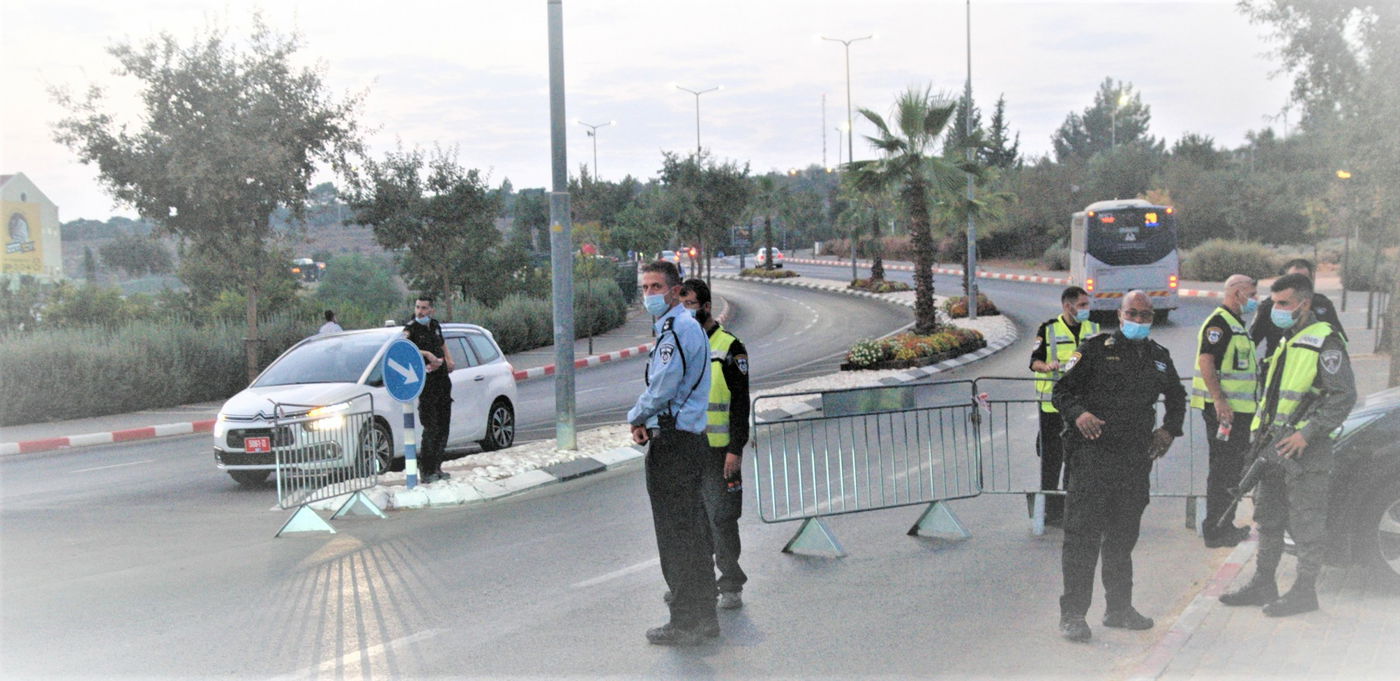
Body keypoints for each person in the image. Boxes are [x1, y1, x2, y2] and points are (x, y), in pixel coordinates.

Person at [1051, 291, 1186, 643]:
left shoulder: (1158, 357)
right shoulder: (1096, 349)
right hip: (1093, 457)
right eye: (1133, 314)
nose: (1139, 321)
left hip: (1134, 460)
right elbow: (1062, 391)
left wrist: (1169, 429)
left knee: (1123, 537)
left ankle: (1119, 608)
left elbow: (1177, 397)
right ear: (1121, 313)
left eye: (1145, 316)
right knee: (1083, 537)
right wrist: (1078, 413)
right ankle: (1074, 614)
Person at [1220, 273, 1356, 617]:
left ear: (1304, 304)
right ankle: (1264, 582)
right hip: (1273, 446)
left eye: (1283, 304)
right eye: (1274, 303)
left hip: (1305, 452)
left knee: (1307, 523)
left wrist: (1307, 434)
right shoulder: (1287, 338)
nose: (1276, 310)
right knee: (1268, 518)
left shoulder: (1326, 341)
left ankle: (1305, 592)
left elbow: (1342, 397)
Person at [627, 261, 717, 646]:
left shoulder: (676, 331)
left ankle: (684, 621)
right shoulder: (684, 327)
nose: (649, 295)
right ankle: (704, 616)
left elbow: (664, 387)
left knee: (676, 537)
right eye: (644, 287)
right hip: (688, 441)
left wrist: (636, 415)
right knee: (693, 533)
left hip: (674, 445)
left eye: (656, 287)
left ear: (676, 290)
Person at [678, 278, 750, 610]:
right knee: (692, 521)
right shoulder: (682, 344)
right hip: (687, 448)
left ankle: (731, 583)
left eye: (690, 304)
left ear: (706, 307)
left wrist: (735, 449)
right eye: (682, 304)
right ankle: (698, 584)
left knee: (721, 518)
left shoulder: (729, 347)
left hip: (719, 450)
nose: (685, 311)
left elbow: (739, 404)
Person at [1191, 274, 1260, 548]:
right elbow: (1206, 361)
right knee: (1223, 471)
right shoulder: (1219, 324)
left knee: (1231, 471)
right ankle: (1216, 530)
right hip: (1225, 413)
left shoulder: (1236, 324)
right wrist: (1219, 400)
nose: (1255, 299)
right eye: (1252, 294)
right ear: (1236, 293)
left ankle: (1225, 525)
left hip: (1238, 413)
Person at [1029, 286, 1100, 525]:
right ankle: (1050, 510)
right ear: (1068, 306)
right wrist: (1047, 366)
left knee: (1078, 459)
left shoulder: (1094, 329)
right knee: (1051, 459)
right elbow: (1034, 362)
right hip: (1051, 407)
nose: (1086, 310)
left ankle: (1073, 507)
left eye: (1086, 305)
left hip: (1081, 408)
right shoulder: (1048, 329)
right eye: (1082, 305)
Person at [1250, 258, 1347, 364]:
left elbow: (1338, 339)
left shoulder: (1322, 304)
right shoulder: (1270, 305)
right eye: (1292, 279)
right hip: (1277, 368)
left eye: (1303, 279)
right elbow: (1251, 340)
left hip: (1310, 367)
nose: (1297, 284)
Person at [403, 295, 454, 483]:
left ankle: (437, 467)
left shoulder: (434, 325)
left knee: (443, 426)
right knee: (430, 427)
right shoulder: (411, 329)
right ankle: (426, 471)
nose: (420, 311)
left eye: (424, 308)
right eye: (418, 307)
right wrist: (427, 354)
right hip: (426, 385)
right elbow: (403, 349)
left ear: (431, 310)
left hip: (442, 381)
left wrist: (448, 359)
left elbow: (442, 343)